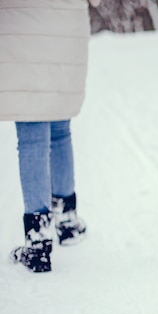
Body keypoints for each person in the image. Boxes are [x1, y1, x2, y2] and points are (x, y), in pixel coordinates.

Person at [0, 0, 97, 272]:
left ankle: (38, 240)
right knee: (59, 126)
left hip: (23, 29)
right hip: (67, 28)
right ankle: (67, 220)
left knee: (32, 133)